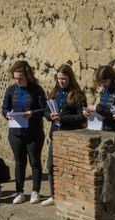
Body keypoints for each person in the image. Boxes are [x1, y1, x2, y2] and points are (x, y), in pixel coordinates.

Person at [2, 60, 47, 204]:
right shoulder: (10, 90)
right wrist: (7, 114)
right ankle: (19, 191)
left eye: (20, 78)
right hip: (15, 133)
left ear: (27, 76)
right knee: (19, 162)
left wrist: (32, 113)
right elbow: (4, 108)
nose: (17, 81)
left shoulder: (36, 90)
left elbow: (45, 110)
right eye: (15, 78)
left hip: (33, 132)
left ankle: (35, 191)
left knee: (34, 162)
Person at [44, 64, 87, 206]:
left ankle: (71, 195)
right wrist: (50, 116)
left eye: (63, 78)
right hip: (55, 135)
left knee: (70, 168)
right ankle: (54, 194)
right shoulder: (54, 93)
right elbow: (46, 111)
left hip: (70, 137)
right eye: (58, 78)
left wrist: (62, 118)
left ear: (70, 78)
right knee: (51, 166)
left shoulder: (78, 95)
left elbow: (81, 118)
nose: (61, 81)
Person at [84, 65, 115, 135]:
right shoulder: (104, 90)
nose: (103, 85)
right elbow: (103, 110)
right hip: (103, 129)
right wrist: (91, 113)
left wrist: (96, 108)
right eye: (100, 82)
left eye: (105, 81)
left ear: (111, 78)